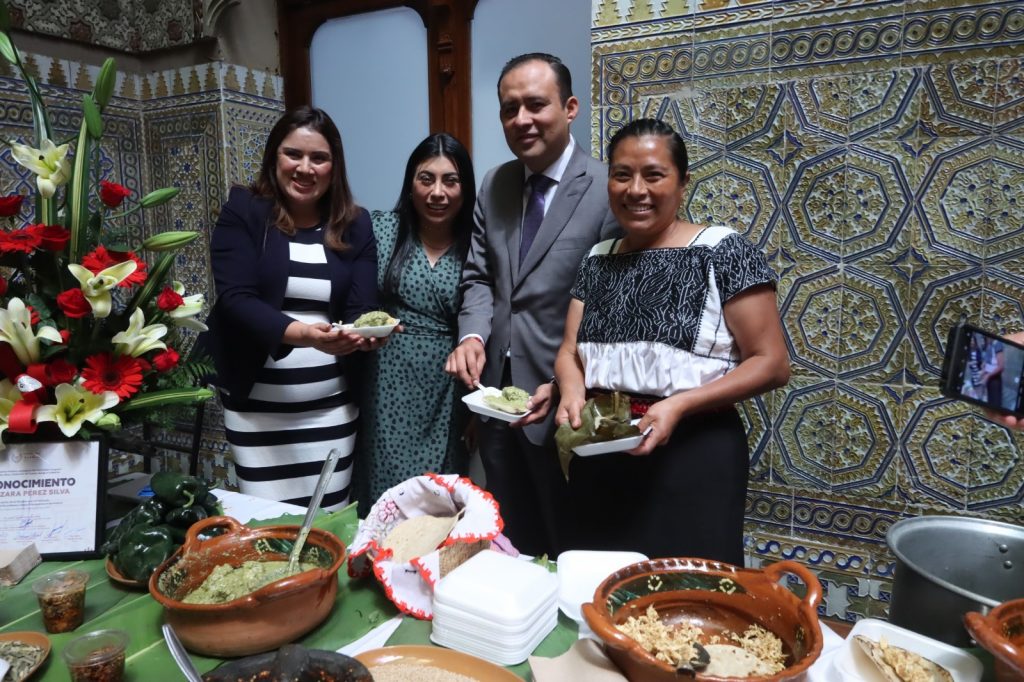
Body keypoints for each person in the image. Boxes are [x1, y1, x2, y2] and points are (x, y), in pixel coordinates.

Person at [527, 118, 790, 563]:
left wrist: (679, 405)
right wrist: (570, 389)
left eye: (653, 175)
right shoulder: (598, 259)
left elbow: (771, 362)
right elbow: (570, 351)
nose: (635, 190)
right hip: (599, 451)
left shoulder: (723, 250)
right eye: (622, 174)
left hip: (691, 454)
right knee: (598, 585)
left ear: (683, 182)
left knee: (686, 591)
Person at [444, 53, 619, 556]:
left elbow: (610, 308)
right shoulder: (495, 184)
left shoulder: (607, 191)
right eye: (509, 108)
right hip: (496, 403)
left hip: (567, 405)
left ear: (569, 108)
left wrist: (567, 380)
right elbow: (480, 277)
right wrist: (473, 335)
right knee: (511, 539)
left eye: (535, 105)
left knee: (572, 541)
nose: (521, 120)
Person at [205, 106, 381, 511]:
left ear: (334, 166)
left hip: (330, 413)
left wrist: (364, 335)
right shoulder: (243, 210)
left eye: (319, 158)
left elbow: (362, 306)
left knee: (327, 525)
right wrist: (304, 335)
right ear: (274, 158)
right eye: (293, 155)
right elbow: (236, 299)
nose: (305, 168)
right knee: (269, 527)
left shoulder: (356, 224)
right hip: (257, 414)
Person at [354, 133, 477, 515]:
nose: (437, 192)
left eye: (450, 180)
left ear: (465, 188)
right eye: (426, 179)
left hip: (448, 384)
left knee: (436, 499)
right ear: (411, 184)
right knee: (385, 494)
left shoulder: (477, 242)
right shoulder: (380, 229)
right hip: (386, 381)